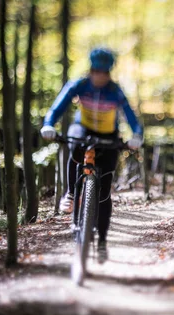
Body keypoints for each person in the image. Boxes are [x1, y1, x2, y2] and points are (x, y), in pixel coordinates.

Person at [40, 47, 143, 262]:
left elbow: (131, 116)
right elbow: (58, 106)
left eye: (104, 73)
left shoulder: (115, 91)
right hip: (83, 128)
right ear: (91, 70)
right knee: (74, 142)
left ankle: (103, 241)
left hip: (108, 134)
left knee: (104, 192)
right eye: (96, 71)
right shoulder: (79, 85)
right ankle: (70, 193)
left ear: (109, 73)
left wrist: (137, 135)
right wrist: (49, 124)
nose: (99, 76)